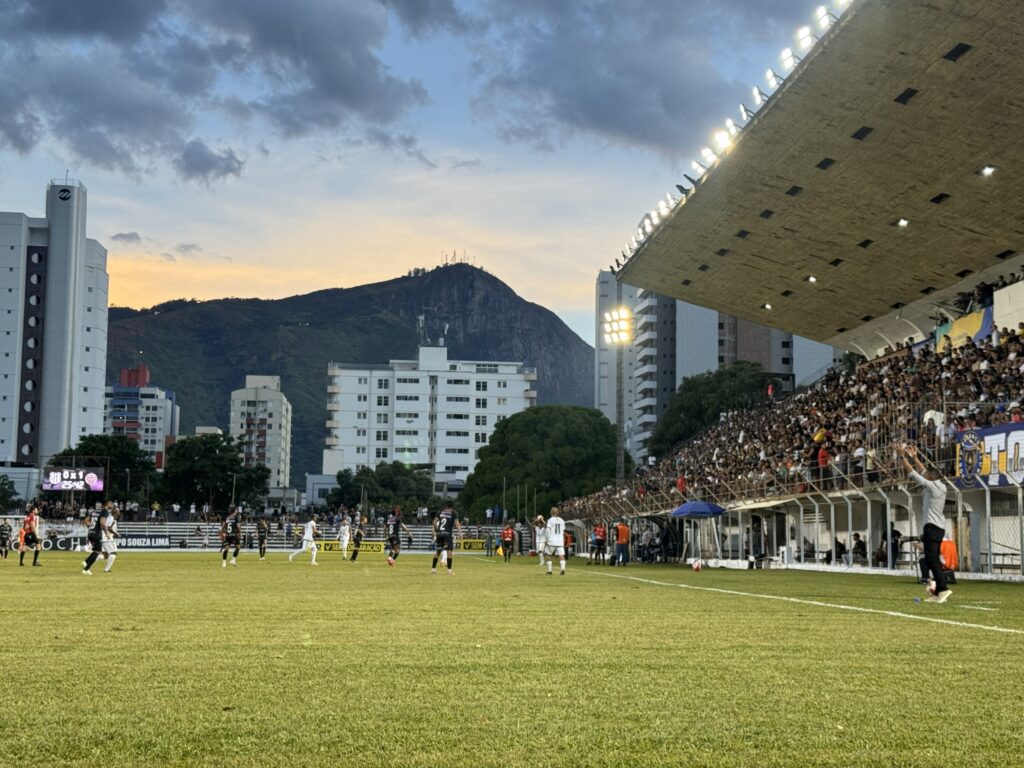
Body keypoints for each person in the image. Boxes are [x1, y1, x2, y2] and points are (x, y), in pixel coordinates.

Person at [899, 444, 952, 603]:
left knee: (931, 559)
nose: (925, 474)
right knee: (932, 558)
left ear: (930, 478)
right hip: (940, 528)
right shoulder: (940, 486)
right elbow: (923, 472)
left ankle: (942, 589)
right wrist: (914, 457)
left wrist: (902, 456)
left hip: (931, 527)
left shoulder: (931, 486)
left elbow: (913, 473)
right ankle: (937, 593)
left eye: (927, 475)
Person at [431, 502, 462, 575]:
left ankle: (433, 569)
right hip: (447, 535)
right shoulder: (453, 513)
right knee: (449, 552)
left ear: (446, 506)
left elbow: (434, 522)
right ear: (452, 507)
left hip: (439, 534)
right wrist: (460, 532)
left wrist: (437, 530)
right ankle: (449, 571)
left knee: (437, 552)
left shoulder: (441, 512)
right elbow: (457, 524)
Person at [81, 505, 106, 575]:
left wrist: (90, 527)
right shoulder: (102, 513)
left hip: (90, 533)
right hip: (96, 534)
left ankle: (85, 562)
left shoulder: (93, 512)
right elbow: (101, 523)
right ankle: (86, 569)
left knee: (95, 551)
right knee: (97, 552)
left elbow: (85, 521)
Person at [543, 507, 567, 576]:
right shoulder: (562, 520)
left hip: (552, 540)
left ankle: (549, 571)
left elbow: (548, 530)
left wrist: (546, 539)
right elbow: (563, 531)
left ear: (551, 512)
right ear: (558, 513)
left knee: (548, 554)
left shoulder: (550, 520)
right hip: (560, 541)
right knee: (561, 555)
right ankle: (562, 569)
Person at [101, 506, 119, 573]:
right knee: (113, 553)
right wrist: (116, 534)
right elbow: (109, 528)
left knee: (105, 555)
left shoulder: (111, 518)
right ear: (115, 512)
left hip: (107, 537)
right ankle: (106, 569)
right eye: (117, 511)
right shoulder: (111, 518)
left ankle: (87, 562)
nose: (118, 512)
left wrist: (114, 534)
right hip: (106, 538)